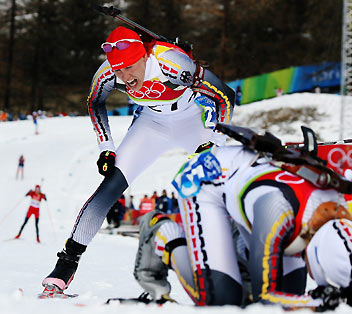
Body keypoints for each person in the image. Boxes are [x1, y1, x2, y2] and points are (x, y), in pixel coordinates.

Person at [40, 25, 235, 297]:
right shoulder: (107, 71)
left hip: (193, 122)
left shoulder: (172, 63)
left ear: (144, 56)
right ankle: (65, 266)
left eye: (130, 67)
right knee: (110, 186)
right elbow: (95, 102)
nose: (125, 77)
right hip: (152, 124)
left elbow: (225, 96)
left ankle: (237, 262)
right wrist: (106, 147)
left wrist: (214, 140)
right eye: (119, 70)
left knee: (217, 186)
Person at [131, 142, 352, 309]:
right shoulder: (277, 210)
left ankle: (234, 256)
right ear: (312, 251)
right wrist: (319, 299)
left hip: (254, 191)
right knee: (222, 302)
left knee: (291, 293)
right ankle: (164, 232)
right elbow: (267, 297)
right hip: (209, 182)